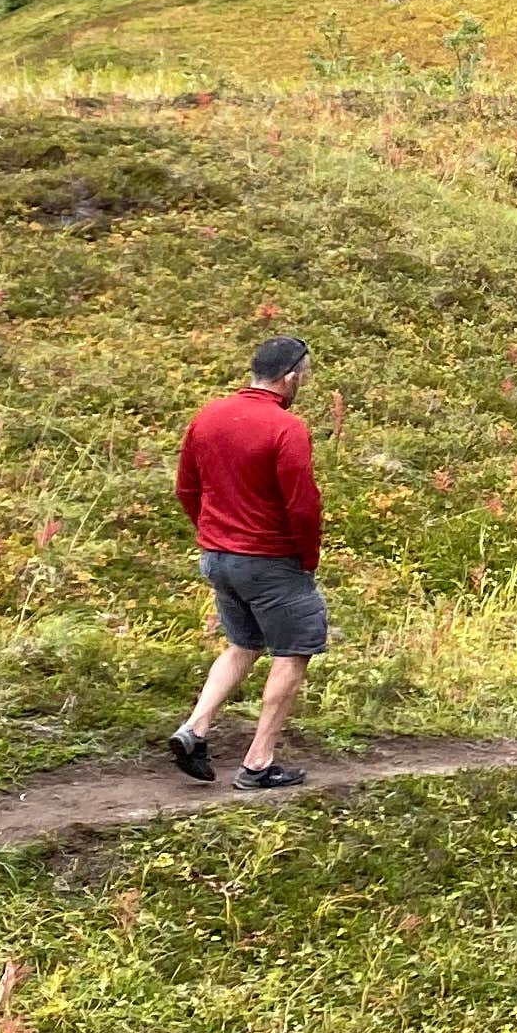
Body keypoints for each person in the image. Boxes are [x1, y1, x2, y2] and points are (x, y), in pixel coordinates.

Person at [163, 333, 329, 792]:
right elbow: (302, 505)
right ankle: (258, 762)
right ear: (291, 376)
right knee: (293, 653)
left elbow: (186, 488)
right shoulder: (285, 428)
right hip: (270, 560)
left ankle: (195, 728)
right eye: (304, 377)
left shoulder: (209, 416)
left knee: (243, 644)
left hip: (218, 557)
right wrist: (306, 556)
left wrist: (213, 532)